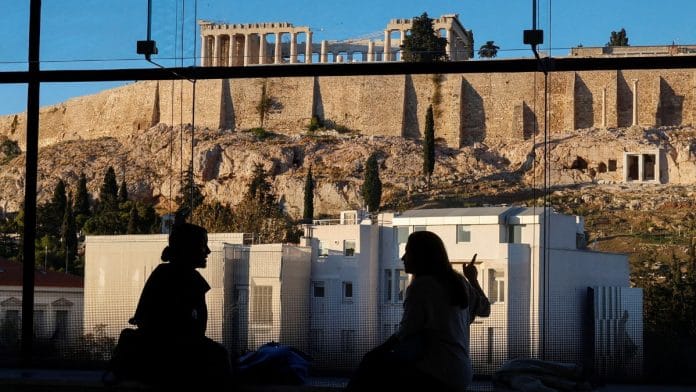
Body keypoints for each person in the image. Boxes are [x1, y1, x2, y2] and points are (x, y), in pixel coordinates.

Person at [346, 230, 490, 392]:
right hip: (461, 372)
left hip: (437, 371)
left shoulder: (421, 286)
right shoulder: (459, 282)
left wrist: (373, 354)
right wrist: (472, 279)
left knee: (371, 369)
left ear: (421, 256)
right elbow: (485, 309)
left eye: (408, 252)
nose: (403, 258)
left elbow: (406, 332)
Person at [111, 222, 235, 390]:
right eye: (202, 245)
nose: (207, 251)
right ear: (189, 248)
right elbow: (196, 329)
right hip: (169, 358)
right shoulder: (188, 280)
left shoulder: (163, 273)